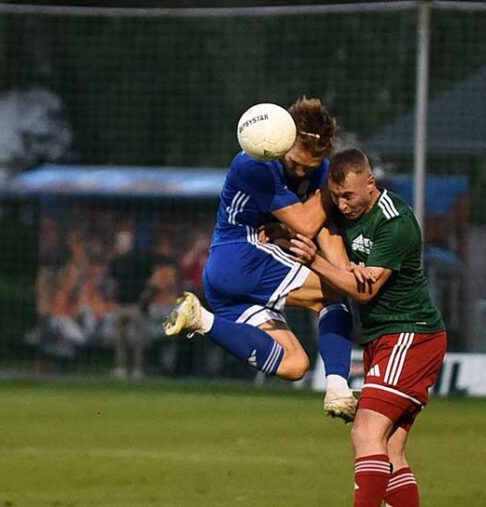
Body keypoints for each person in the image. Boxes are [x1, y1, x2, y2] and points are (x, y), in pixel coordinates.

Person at [288, 148, 446, 507]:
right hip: (385, 340)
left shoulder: (396, 223)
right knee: (389, 450)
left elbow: (367, 287)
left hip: (410, 336)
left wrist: (318, 263)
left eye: (351, 196)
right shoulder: (344, 211)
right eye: (337, 197)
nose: (344, 205)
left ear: (371, 185)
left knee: (365, 432)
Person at [162, 97, 357, 421]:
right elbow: (308, 224)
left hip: (225, 278)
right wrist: (330, 185)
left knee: (294, 365)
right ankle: (338, 388)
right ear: (285, 139)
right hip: (243, 255)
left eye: (310, 166)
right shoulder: (255, 164)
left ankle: (201, 319)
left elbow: (325, 227)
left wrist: (344, 269)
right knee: (335, 293)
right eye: (297, 163)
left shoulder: (318, 171)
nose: (301, 171)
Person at [108, 230, 154, 380]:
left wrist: (143, 299)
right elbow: (112, 283)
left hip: (135, 304)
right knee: (119, 338)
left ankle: (137, 368)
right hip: (120, 304)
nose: (120, 245)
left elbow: (148, 281)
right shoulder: (115, 262)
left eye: (123, 242)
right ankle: (120, 367)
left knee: (138, 339)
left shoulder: (139, 261)